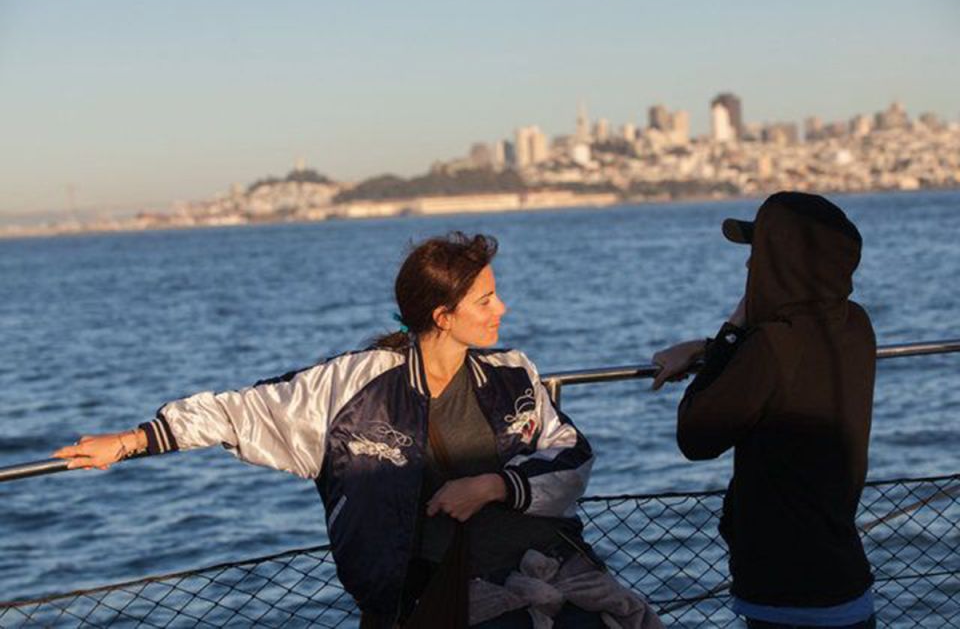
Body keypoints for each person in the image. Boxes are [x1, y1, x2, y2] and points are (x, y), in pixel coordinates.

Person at [54, 232, 661, 629]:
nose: (502, 311)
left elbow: (571, 455)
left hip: (540, 565)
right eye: (486, 301)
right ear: (443, 316)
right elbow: (241, 411)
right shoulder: (353, 387)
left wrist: (496, 487)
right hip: (434, 597)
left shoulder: (513, 376)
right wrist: (133, 440)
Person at [651, 192, 877, 629]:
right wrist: (713, 348)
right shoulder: (855, 325)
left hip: (788, 592)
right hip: (845, 577)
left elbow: (696, 436)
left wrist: (733, 327)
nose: (749, 266)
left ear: (783, 263)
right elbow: (790, 363)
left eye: (759, 254)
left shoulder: (771, 346)